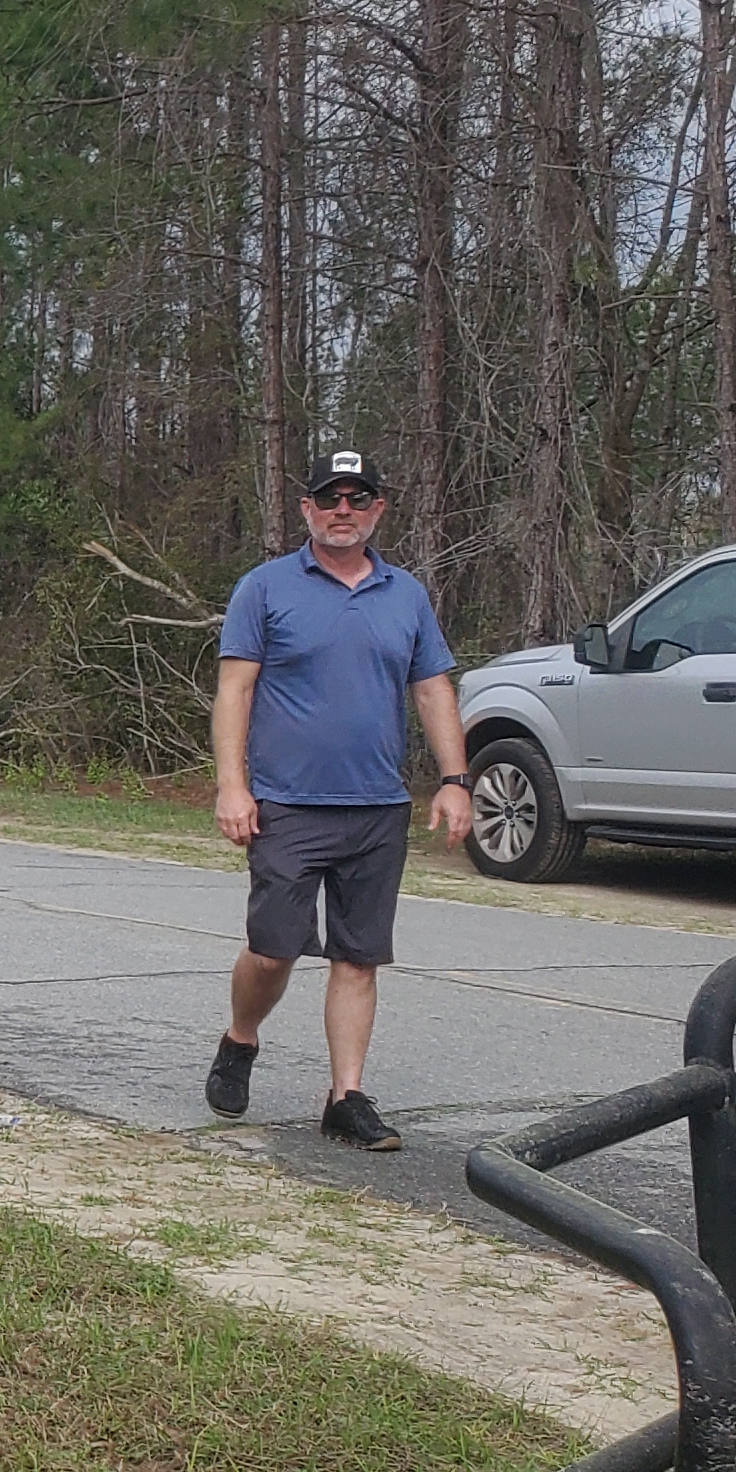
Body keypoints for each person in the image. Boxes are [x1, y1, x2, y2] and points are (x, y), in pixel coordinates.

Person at [205, 449, 475, 1150]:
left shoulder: (406, 595)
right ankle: (241, 1037)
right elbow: (235, 690)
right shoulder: (265, 589)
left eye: (358, 499)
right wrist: (232, 785)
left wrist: (455, 780)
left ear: (378, 510)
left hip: (377, 806)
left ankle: (345, 1096)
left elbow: (432, 689)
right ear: (307, 510)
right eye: (330, 499)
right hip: (287, 805)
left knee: (358, 956)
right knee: (273, 951)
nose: (343, 511)